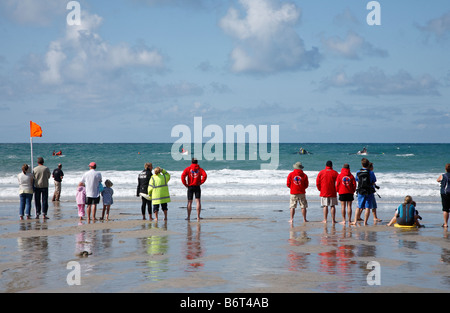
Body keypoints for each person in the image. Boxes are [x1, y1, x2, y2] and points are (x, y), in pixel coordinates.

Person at [352, 158, 377, 226]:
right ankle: (365, 222)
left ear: (362, 164)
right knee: (367, 207)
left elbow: (357, 179)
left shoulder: (358, 172)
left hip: (361, 191)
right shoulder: (371, 172)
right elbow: (374, 180)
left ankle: (354, 221)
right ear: (368, 164)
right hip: (369, 191)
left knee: (358, 206)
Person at [437, 163, 450, 228]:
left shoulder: (443, 175)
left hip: (444, 193)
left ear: (445, 169)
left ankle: (445, 223)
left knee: (445, 209)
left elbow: (438, 180)